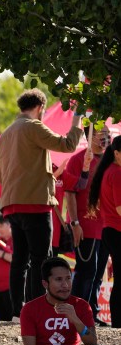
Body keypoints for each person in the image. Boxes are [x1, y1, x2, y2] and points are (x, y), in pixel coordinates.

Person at [0, 89, 83, 316]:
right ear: (40, 107)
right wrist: (76, 120)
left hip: (12, 204)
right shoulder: (32, 126)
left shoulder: (6, 133)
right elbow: (67, 146)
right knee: (41, 259)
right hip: (35, 202)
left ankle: (18, 312)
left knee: (20, 260)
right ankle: (38, 311)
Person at [65, 127, 113, 320]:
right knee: (86, 271)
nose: (106, 137)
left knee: (98, 272)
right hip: (86, 225)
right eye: (101, 133)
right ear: (89, 136)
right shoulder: (78, 160)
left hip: (107, 227)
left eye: (108, 133)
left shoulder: (111, 161)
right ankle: (75, 313)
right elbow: (69, 192)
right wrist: (75, 223)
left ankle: (91, 313)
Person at [88, 135, 121, 327]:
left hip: (111, 230)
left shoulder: (111, 170)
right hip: (116, 230)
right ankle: (118, 323)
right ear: (116, 153)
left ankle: (117, 322)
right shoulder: (116, 173)